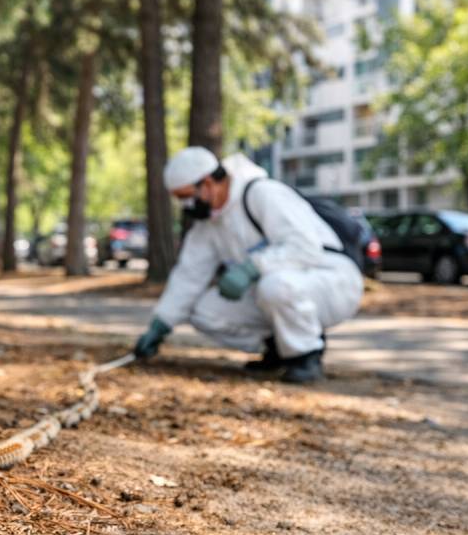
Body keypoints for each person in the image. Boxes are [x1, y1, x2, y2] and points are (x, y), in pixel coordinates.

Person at [134, 146, 363, 383]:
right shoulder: (209, 226)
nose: (185, 206)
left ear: (208, 183)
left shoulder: (263, 193)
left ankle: (306, 355)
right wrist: (160, 325)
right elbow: (188, 277)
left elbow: (305, 247)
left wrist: (252, 267)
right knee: (202, 309)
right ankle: (280, 348)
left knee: (274, 285)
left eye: (185, 196)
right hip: (278, 286)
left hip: (331, 279)